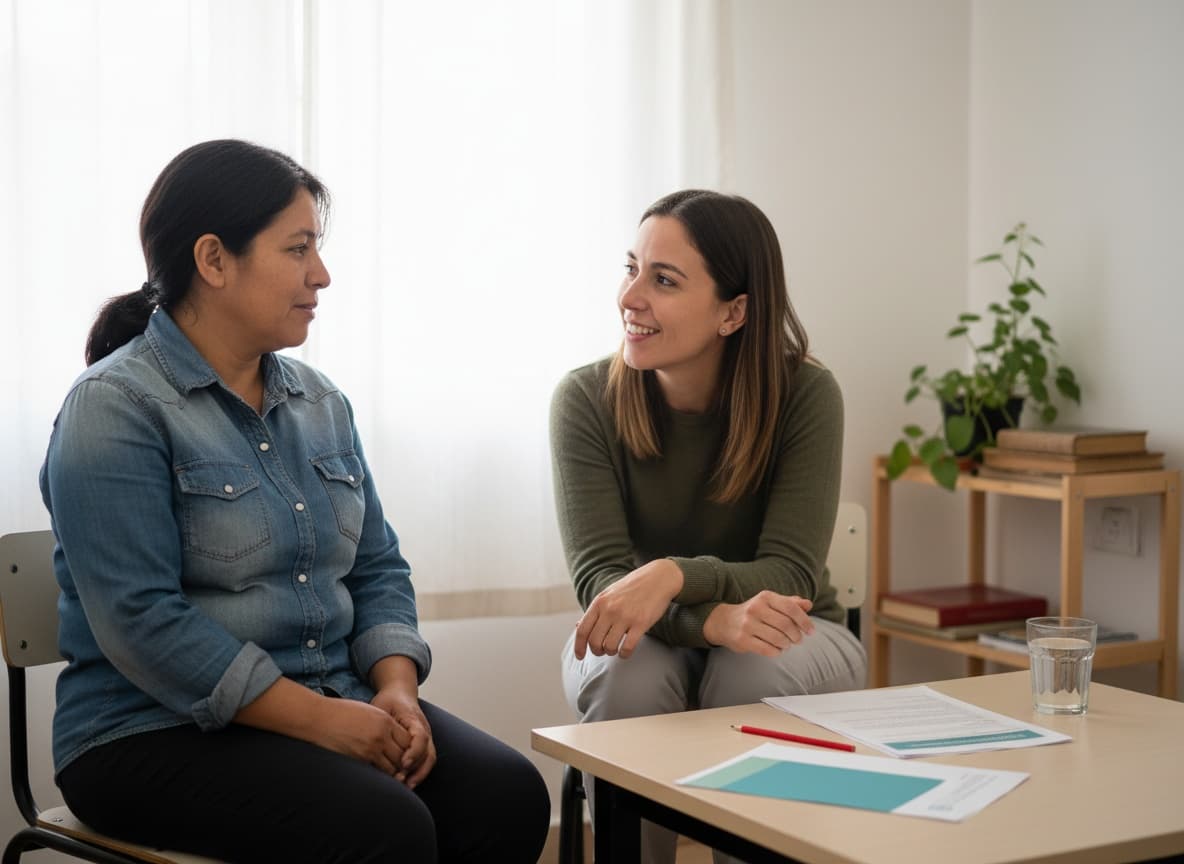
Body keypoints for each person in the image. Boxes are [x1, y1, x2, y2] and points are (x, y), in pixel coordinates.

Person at [40, 139, 549, 864]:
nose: (322, 274)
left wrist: (395, 690)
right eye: (297, 249)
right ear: (213, 260)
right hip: (145, 732)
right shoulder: (114, 408)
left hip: (328, 696)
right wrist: (322, 722)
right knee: (386, 826)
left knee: (507, 796)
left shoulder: (320, 402)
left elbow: (377, 570)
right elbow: (141, 622)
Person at [550, 189, 867, 864]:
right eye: (631, 268)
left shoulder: (807, 395)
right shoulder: (584, 400)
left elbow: (788, 575)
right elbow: (601, 585)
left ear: (735, 311)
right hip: (646, 638)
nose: (630, 297)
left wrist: (671, 576)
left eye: (663, 280)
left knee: (748, 670)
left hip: (798, 629)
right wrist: (708, 623)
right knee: (626, 676)